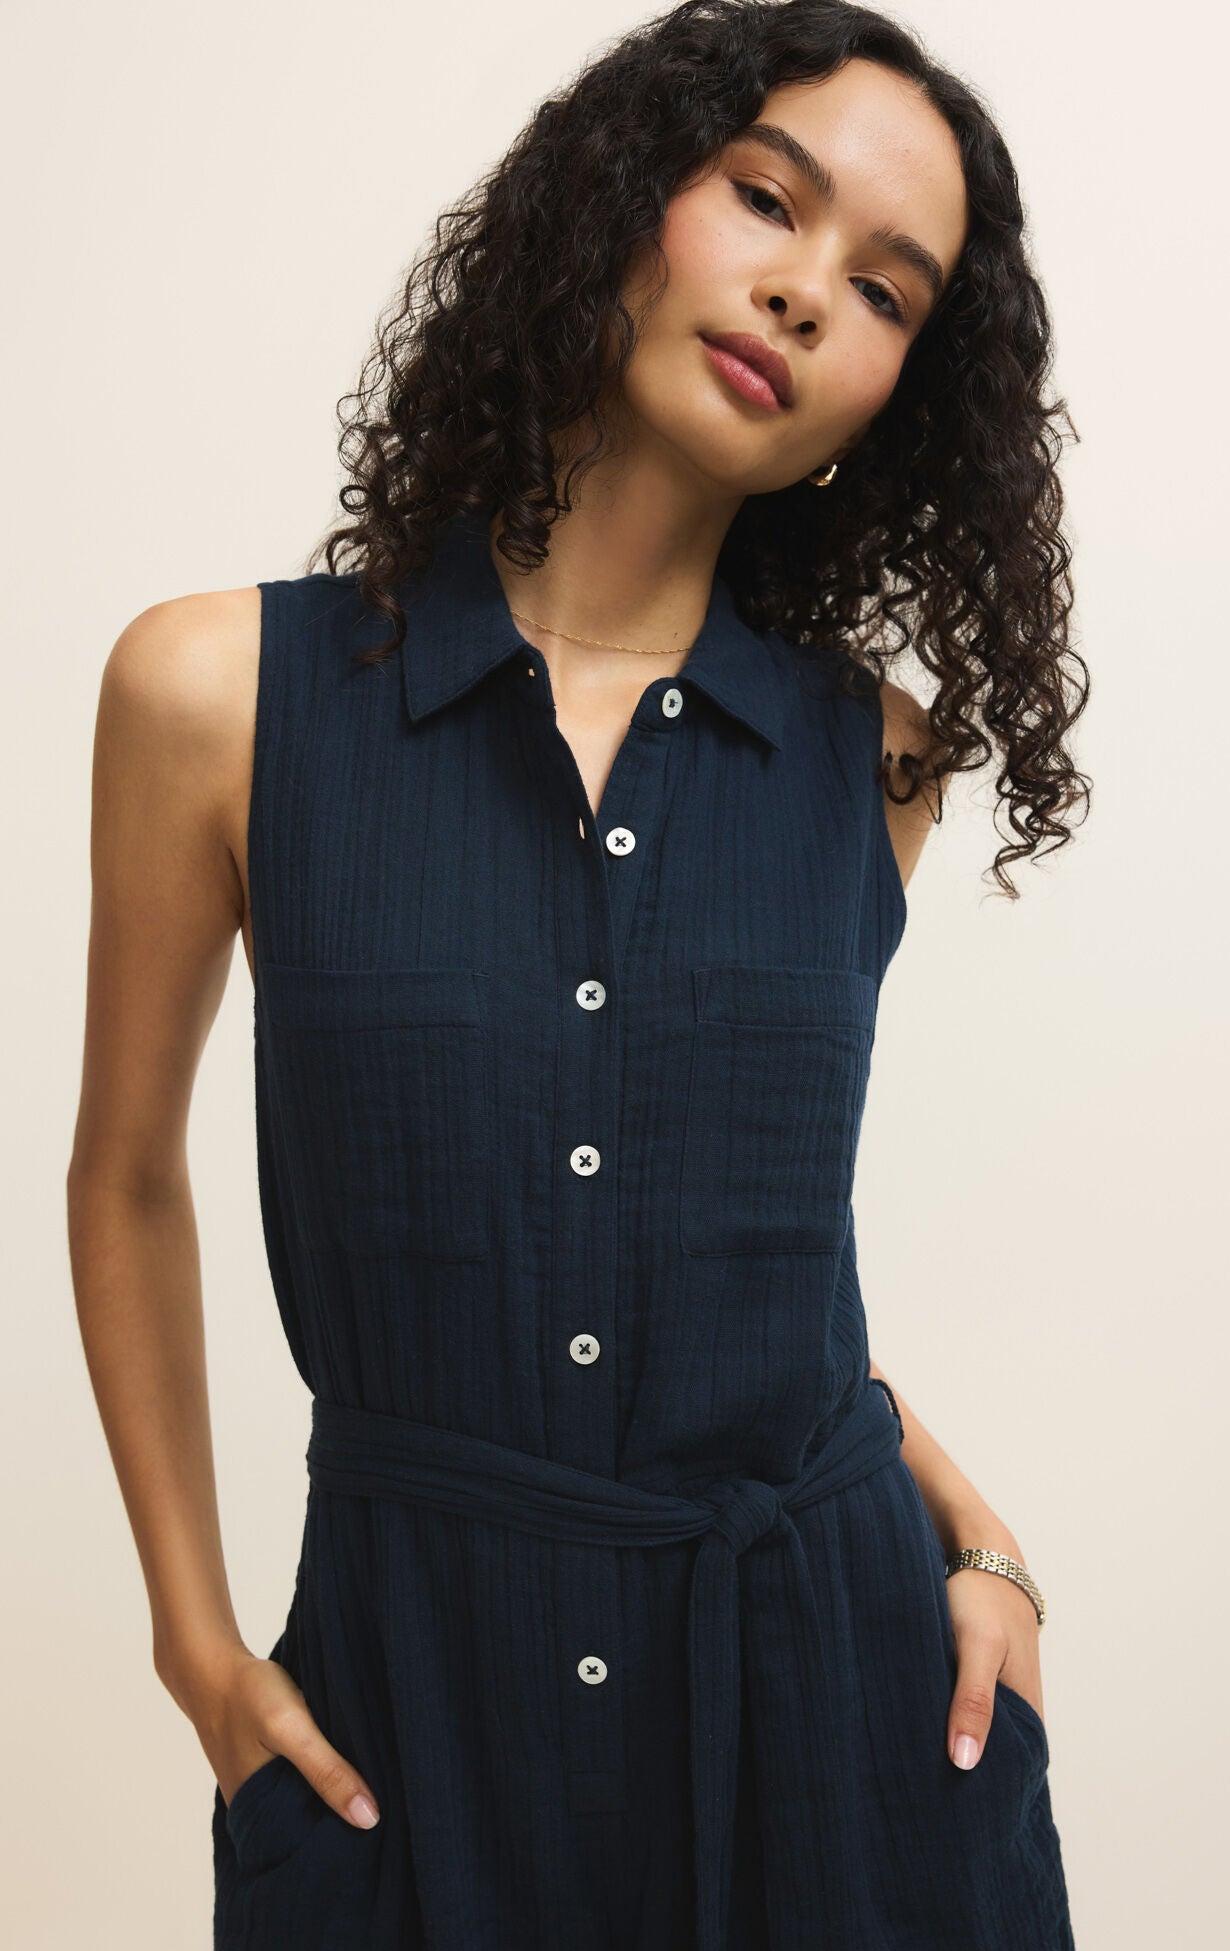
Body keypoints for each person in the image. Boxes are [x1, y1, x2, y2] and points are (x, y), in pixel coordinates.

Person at [67, 2, 1088, 1944]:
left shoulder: (874, 760)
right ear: (621, 198)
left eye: (878, 288)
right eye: (763, 200)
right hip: (412, 1710)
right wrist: (196, 1649)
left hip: (837, 1706)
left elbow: (754, 1265)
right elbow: (122, 1174)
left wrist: (984, 1544)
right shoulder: (221, 700)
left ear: (900, 390)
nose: (800, 293)